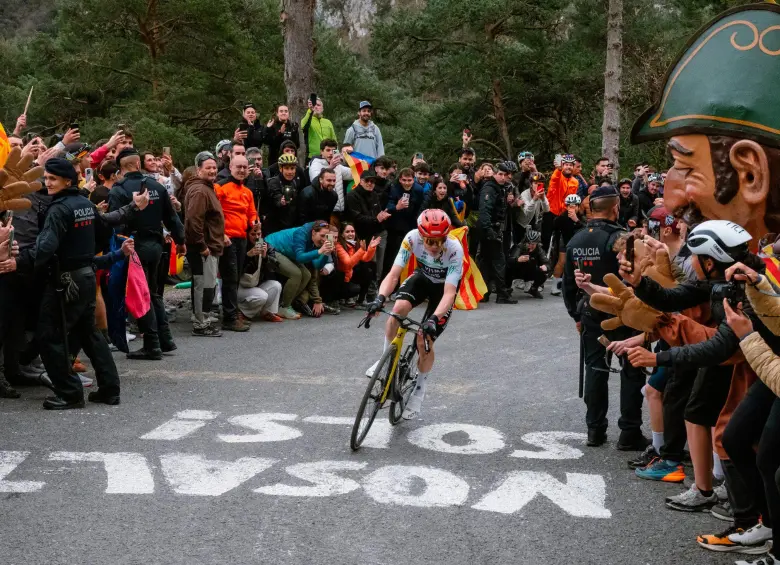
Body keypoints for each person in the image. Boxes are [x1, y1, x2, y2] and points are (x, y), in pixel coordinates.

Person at [19, 158, 148, 409]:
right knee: (89, 334)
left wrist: (18, 261)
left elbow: (45, 248)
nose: (48, 183)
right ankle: (110, 389)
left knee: (50, 336)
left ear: (68, 180)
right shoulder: (84, 204)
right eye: (46, 178)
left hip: (66, 282)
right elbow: (105, 226)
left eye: (53, 179)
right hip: (87, 276)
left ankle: (69, 393)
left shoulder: (59, 208)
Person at [562, 184, 648, 450]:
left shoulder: (576, 240)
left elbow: (568, 283)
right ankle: (629, 432)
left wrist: (575, 315)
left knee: (596, 368)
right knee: (632, 369)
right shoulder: (622, 239)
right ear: (615, 208)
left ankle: (595, 430)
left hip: (590, 310)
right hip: (625, 312)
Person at [364, 209, 463, 420]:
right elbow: (393, 274)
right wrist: (380, 298)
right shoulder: (411, 238)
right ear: (420, 235)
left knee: (423, 338)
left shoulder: (454, 249)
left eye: (441, 240)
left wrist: (433, 320)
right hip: (422, 279)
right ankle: (386, 360)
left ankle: (419, 392)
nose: (437, 247)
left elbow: (450, 293)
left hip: (443, 290)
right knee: (396, 311)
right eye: (430, 241)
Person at [108, 148, 185, 359]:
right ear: (138, 165)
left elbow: (114, 224)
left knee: (140, 295)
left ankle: (152, 344)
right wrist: (181, 241)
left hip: (133, 247)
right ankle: (165, 340)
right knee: (153, 293)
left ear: (121, 168)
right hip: (156, 246)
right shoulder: (156, 186)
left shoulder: (119, 190)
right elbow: (172, 218)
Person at [215, 155, 258, 332]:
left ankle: (232, 313)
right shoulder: (221, 186)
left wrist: (255, 224)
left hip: (242, 238)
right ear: (230, 167)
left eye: (244, 167)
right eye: (238, 167)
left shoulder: (247, 191)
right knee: (230, 277)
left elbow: (252, 213)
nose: (241, 170)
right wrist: (221, 233)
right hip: (227, 238)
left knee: (236, 276)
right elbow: (214, 213)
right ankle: (230, 317)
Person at [184, 151, 226, 337]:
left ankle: (203, 317)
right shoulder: (200, 190)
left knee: (208, 284)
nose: (212, 171)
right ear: (198, 169)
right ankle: (201, 324)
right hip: (203, 248)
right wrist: (202, 246)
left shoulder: (207, 187)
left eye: (214, 167)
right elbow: (194, 221)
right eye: (208, 167)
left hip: (210, 245)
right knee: (204, 285)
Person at [265, 220, 334, 318]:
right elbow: (300, 257)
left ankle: (285, 304)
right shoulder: (301, 233)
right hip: (271, 247)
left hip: (287, 252)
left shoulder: (315, 240)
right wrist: (320, 251)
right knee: (296, 274)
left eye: (326, 236)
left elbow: (316, 265)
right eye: (322, 236)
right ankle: (284, 307)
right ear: (314, 232)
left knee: (307, 275)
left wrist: (326, 254)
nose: (324, 239)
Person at [346, 169, 390, 301]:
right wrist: (376, 219)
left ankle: (373, 293)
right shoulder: (352, 196)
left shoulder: (375, 195)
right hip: (363, 234)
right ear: (361, 180)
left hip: (379, 232)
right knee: (368, 264)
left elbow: (378, 214)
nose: (370, 184)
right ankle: (361, 296)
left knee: (379, 266)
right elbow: (358, 218)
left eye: (373, 181)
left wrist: (381, 218)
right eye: (367, 181)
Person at [478, 161, 517, 304]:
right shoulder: (490, 188)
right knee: (498, 261)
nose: (504, 177)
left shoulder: (501, 188)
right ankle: (501, 294)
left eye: (506, 175)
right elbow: (485, 211)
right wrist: (489, 231)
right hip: (489, 229)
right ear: (496, 173)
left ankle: (484, 293)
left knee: (486, 262)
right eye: (501, 174)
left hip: (493, 228)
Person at [238, 222, 283, 322]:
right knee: (262, 296)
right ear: (247, 234)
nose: (256, 237)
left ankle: (267, 312)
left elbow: (274, 270)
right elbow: (234, 271)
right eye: (253, 234)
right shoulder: (242, 246)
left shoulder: (266, 246)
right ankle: (241, 312)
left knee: (276, 285)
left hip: (255, 284)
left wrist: (265, 258)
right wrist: (248, 256)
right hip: (239, 286)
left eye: (259, 234)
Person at [385, 168, 425, 277]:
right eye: (404, 180)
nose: (407, 183)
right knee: (393, 257)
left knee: (410, 256)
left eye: (409, 180)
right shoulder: (393, 187)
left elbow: (421, 207)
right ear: (400, 180)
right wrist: (396, 207)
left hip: (411, 226)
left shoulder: (419, 189)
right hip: (394, 227)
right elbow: (386, 207)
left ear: (414, 179)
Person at [308, 139, 352, 223]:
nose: (331, 153)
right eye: (328, 150)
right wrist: (330, 167)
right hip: (325, 211)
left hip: (339, 211)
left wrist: (350, 158)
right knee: (329, 235)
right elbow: (315, 180)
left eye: (333, 150)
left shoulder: (338, 166)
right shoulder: (316, 163)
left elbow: (353, 174)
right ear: (321, 151)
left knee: (337, 235)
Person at [335, 223, 379, 306]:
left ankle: (361, 300)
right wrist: (361, 250)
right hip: (342, 278)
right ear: (342, 234)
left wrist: (371, 248)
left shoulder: (356, 243)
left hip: (350, 275)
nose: (351, 234)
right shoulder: (338, 245)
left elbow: (366, 258)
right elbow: (348, 263)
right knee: (354, 289)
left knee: (369, 268)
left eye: (352, 231)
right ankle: (340, 299)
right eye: (347, 232)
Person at [551, 193, 585, 295]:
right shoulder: (562, 217)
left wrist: (576, 220)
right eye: (570, 206)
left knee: (580, 264)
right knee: (562, 262)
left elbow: (586, 229)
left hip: (579, 243)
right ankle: (554, 285)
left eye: (575, 206)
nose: (572, 208)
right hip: (565, 241)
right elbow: (554, 226)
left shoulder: (581, 216)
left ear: (578, 206)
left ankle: (580, 286)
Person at [266, 153, 305, 234]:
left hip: (289, 225)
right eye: (287, 168)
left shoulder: (294, 182)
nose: (290, 172)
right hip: (274, 226)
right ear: (281, 169)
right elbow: (276, 196)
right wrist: (281, 201)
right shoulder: (273, 182)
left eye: (292, 168)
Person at [507, 229, 548, 299]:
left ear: (537, 243)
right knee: (508, 268)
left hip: (530, 271)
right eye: (528, 243)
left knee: (544, 272)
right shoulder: (519, 247)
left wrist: (546, 266)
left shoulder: (539, 249)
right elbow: (509, 261)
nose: (530, 246)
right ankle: (507, 289)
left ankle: (533, 289)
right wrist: (517, 260)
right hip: (518, 271)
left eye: (533, 244)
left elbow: (547, 262)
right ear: (525, 242)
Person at [515, 171, 549, 243]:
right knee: (520, 244)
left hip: (534, 222)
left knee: (533, 244)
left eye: (540, 183)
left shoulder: (541, 192)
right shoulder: (524, 194)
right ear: (531, 184)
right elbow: (526, 212)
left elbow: (546, 210)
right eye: (535, 183)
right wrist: (534, 199)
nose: (537, 185)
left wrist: (543, 199)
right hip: (522, 224)